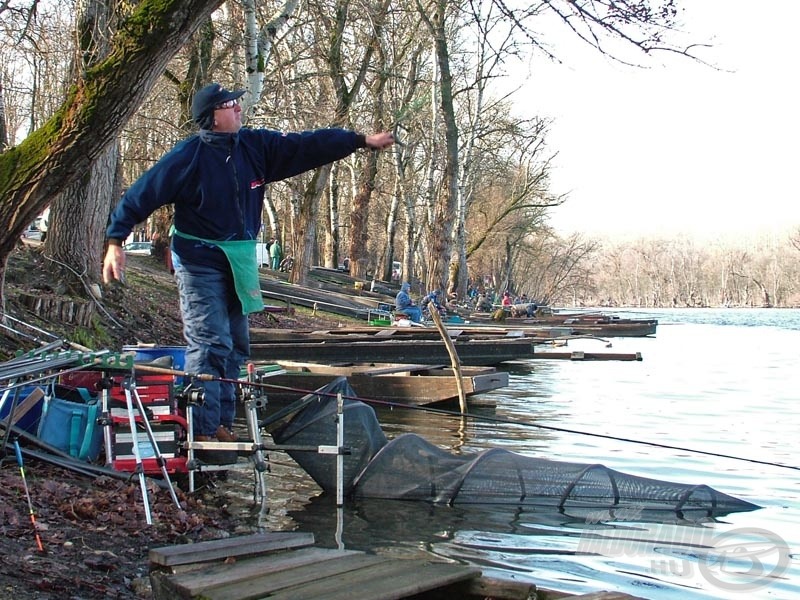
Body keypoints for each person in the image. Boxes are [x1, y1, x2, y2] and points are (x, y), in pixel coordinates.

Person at [102, 82, 394, 464]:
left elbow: (307, 146)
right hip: (199, 260)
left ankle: (221, 422)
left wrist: (358, 140)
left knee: (237, 346)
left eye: (238, 102)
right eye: (230, 104)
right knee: (209, 342)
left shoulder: (255, 147)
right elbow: (140, 194)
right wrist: (115, 240)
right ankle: (203, 430)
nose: (239, 108)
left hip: (239, 260)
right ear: (212, 116)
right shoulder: (188, 157)